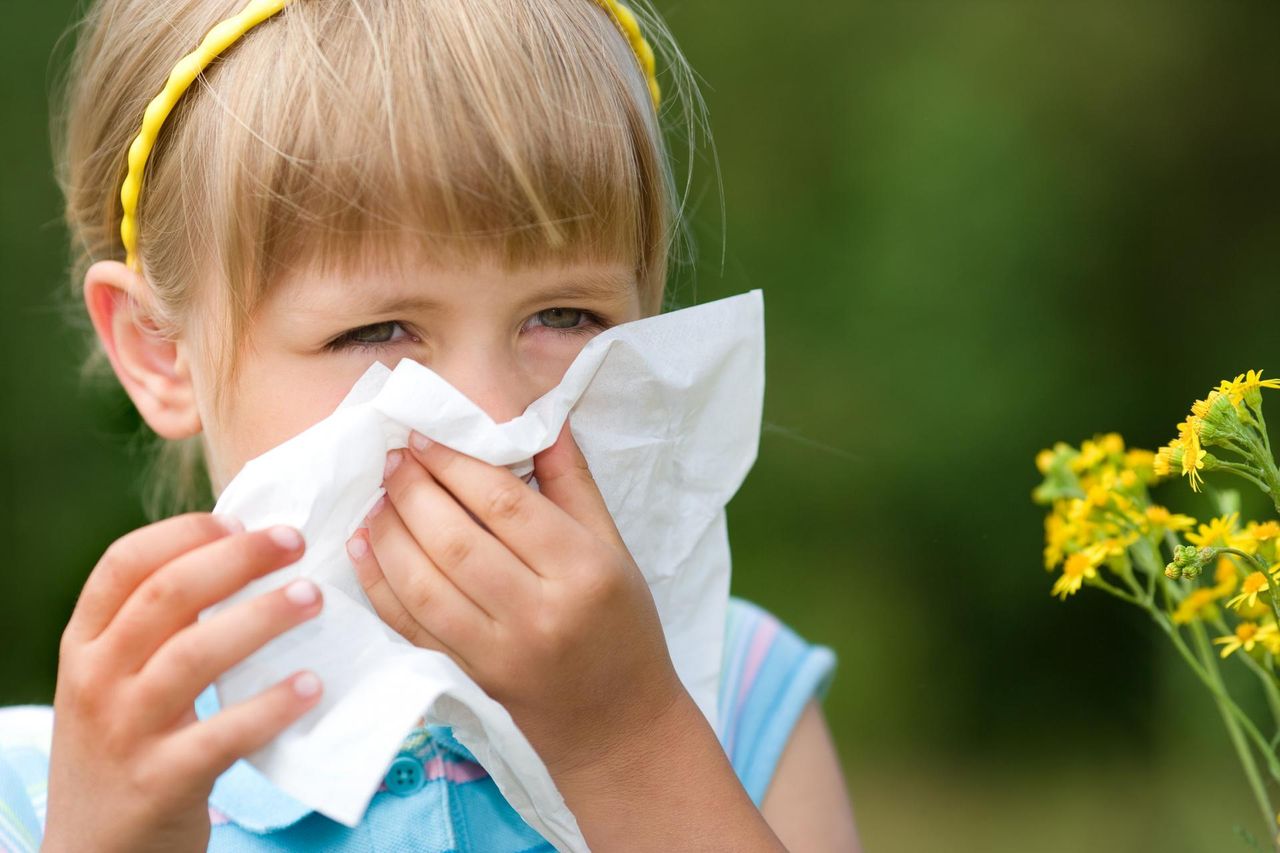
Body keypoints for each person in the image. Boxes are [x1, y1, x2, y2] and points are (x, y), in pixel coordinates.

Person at [0, 0, 860, 849]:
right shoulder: (45, 793)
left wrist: (626, 742)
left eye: (564, 314)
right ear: (159, 350)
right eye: (377, 331)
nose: (492, 412)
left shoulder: (733, 697)